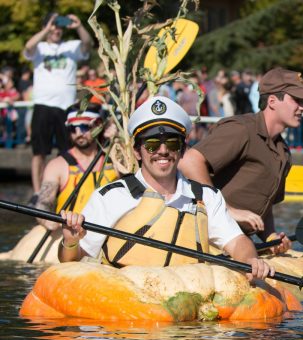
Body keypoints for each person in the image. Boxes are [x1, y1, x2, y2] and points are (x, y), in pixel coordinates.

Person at [57, 96, 274, 282]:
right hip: (127, 305)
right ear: (137, 152)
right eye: (152, 145)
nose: (162, 151)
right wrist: (70, 241)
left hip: (190, 302)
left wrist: (249, 261)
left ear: (182, 150)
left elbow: (237, 242)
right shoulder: (112, 196)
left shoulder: (206, 196)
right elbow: (73, 261)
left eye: (171, 144)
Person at [179, 67, 303, 251]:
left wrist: (270, 236)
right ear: (272, 101)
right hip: (201, 240)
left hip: (240, 244)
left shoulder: (283, 152)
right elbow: (189, 161)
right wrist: (226, 209)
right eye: (296, 100)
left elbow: (264, 204)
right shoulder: (241, 129)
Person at [23, 12, 92, 198]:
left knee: (67, 151)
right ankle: (38, 193)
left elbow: (88, 44)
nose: (57, 30)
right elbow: (28, 46)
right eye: (54, 26)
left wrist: (78, 26)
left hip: (66, 107)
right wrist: (46, 28)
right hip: (43, 105)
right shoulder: (40, 47)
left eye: (59, 27)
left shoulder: (71, 46)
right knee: (39, 152)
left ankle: (63, 189)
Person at [35, 103, 120, 231]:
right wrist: (47, 220)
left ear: (98, 126)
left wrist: (118, 140)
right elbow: (44, 203)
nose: (79, 133)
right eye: (73, 129)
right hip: (72, 233)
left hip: (110, 230)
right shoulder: (57, 165)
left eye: (84, 127)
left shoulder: (115, 159)